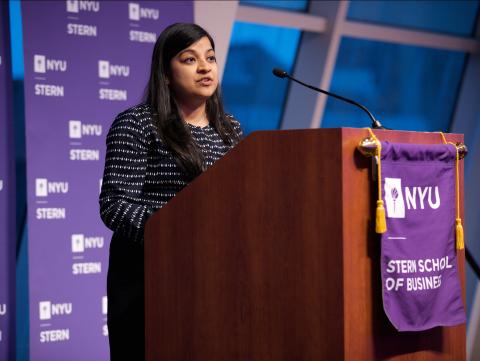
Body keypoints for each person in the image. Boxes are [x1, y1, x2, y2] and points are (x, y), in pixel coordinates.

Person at [99, 23, 242, 360]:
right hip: (149, 277)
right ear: (165, 74)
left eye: (210, 58)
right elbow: (115, 204)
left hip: (214, 274)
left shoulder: (229, 129)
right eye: (189, 59)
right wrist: (175, 230)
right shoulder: (138, 123)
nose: (205, 67)